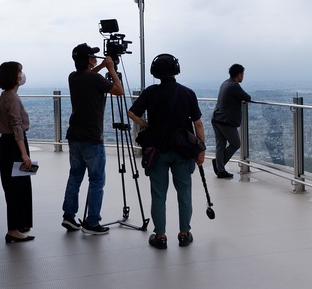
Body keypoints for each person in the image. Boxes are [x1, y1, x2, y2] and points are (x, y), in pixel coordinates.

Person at [127, 53, 205, 249]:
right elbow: (198, 124)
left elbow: (131, 113)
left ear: (155, 72)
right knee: (184, 193)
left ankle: (160, 236)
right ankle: (184, 234)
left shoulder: (150, 92)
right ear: (176, 70)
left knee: (159, 194)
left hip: (157, 150)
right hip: (183, 151)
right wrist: (201, 149)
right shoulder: (187, 93)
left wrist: (147, 125)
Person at [61, 43, 123, 235]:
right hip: (92, 138)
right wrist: (111, 69)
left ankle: (69, 217)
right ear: (88, 59)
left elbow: (91, 76)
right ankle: (92, 222)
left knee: (75, 176)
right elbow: (119, 91)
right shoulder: (93, 78)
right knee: (96, 180)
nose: (95, 58)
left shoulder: (74, 77)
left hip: (75, 136)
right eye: (93, 56)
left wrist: (102, 66)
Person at [0, 61, 35, 243]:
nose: (22, 75)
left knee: (14, 187)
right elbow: (17, 127)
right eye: (20, 72)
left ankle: (19, 225)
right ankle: (13, 230)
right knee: (17, 188)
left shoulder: (5, 95)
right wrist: (24, 154)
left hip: (7, 144)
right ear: (13, 76)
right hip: (14, 145)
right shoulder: (12, 98)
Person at [211, 64, 251, 179]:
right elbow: (247, 97)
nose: (243, 76)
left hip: (216, 117)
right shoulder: (234, 86)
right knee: (236, 143)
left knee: (220, 145)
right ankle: (220, 166)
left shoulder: (225, 83)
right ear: (239, 75)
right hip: (225, 120)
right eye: (242, 74)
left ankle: (220, 169)